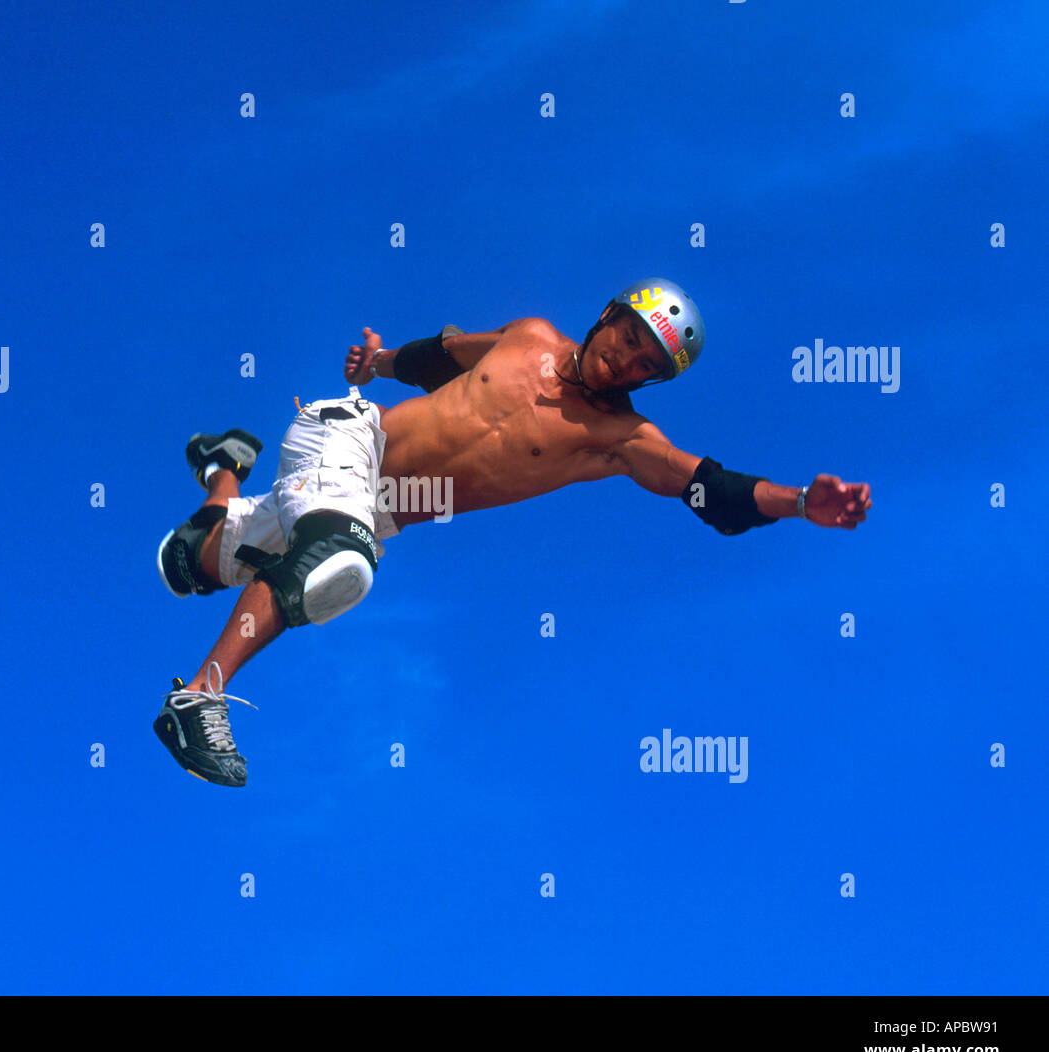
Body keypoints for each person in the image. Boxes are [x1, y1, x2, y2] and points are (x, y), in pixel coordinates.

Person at [153, 278, 872, 787]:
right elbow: (444, 354)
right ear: (608, 314)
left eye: (645, 364)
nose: (626, 359)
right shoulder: (528, 337)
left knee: (190, 564)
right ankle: (199, 700)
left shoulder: (619, 437)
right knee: (339, 563)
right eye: (629, 338)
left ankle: (222, 464)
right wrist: (375, 364)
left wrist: (803, 499)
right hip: (346, 440)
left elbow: (710, 487)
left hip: (374, 503)